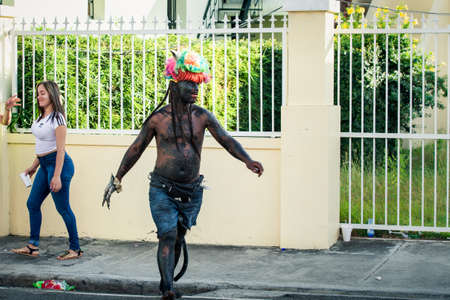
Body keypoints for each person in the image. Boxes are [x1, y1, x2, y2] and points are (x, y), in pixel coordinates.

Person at [103, 50, 264, 300]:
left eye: (198, 83)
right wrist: (117, 178)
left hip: (191, 192)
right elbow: (136, 148)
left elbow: (226, 139)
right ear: (175, 84)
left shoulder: (201, 116)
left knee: (177, 238)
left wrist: (247, 160)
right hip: (162, 189)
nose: (195, 89)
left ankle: (166, 282)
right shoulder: (158, 119)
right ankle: (168, 288)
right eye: (190, 83)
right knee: (167, 234)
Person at [11, 81, 83, 260]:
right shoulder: (42, 117)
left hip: (59, 165)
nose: (39, 96)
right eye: (37, 93)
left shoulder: (58, 118)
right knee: (32, 204)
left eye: (42, 93)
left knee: (63, 208)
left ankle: (75, 249)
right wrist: (34, 166)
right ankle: (32, 246)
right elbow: (43, 145)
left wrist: (57, 175)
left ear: (51, 94)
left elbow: (60, 149)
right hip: (44, 164)